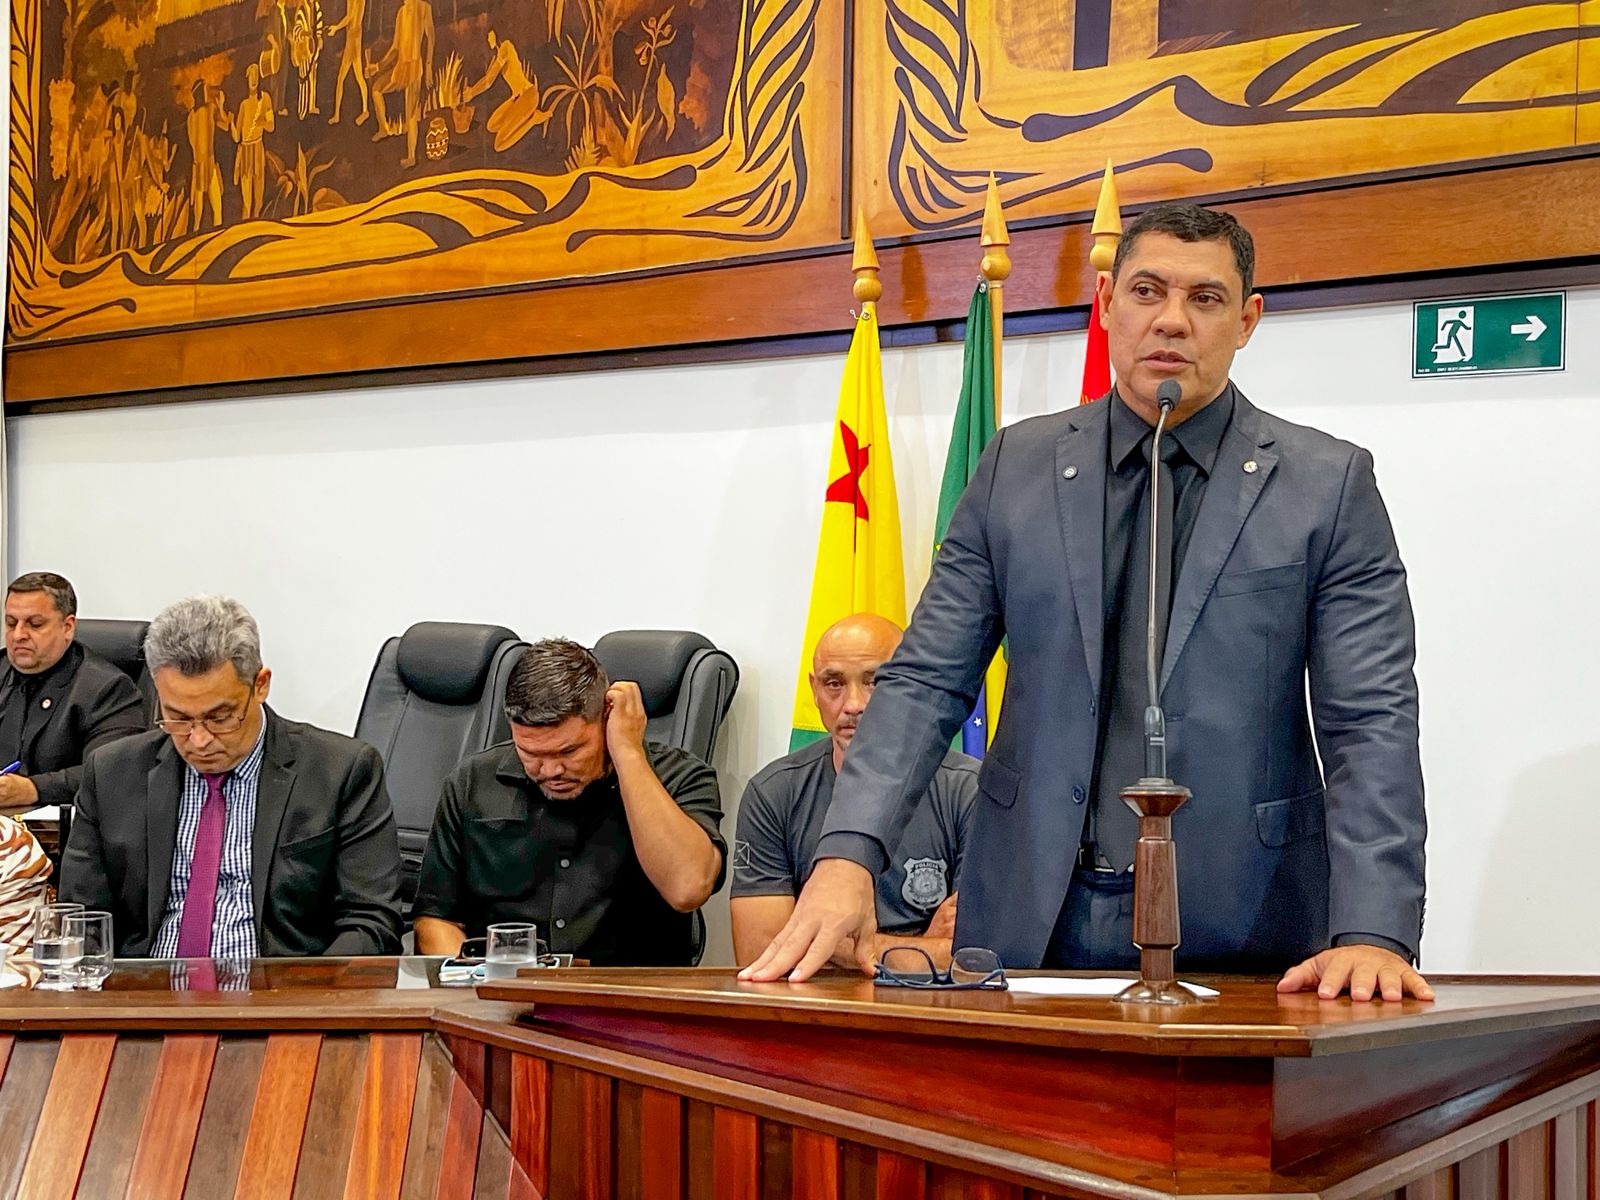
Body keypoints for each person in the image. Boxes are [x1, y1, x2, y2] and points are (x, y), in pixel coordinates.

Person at [745, 202, 1431, 1004]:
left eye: (1205, 299)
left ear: (1246, 320)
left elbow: (1371, 720)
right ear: (1106, 301)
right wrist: (847, 855)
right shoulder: (1016, 467)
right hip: (1031, 912)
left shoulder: (1326, 485)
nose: (1171, 320)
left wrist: (1375, 931)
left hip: (1247, 921)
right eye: (1147, 291)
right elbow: (927, 679)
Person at [60, 596, 403, 957]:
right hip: (145, 985)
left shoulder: (341, 772)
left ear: (260, 684)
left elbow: (371, 924)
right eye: (178, 717)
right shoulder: (112, 773)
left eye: (220, 717)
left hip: (282, 986)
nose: (199, 740)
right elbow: (81, 920)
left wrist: (307, 990)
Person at [413, 638, 725, 965]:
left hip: (629, 989)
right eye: (530, 753)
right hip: (503, 986)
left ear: (606, 718)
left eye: (569, 751)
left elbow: (688, 889)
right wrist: (476, 980)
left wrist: (628, 754)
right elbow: (435, 920)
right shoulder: (472, 782)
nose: (551, 770)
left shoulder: (680, 776)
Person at [731, 614, 974, 968]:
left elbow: (973, 958)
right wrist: (923, 946)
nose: (853, 704)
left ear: (911, 686)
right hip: (815, 1001)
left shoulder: (967, 790)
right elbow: (759, 953)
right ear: (814, 690)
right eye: (834, 684)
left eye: (874, 682)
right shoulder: (773, 793)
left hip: (932, 1002)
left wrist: (815, 937)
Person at [0, 572, 146, 812]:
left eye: (35, 624)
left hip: (64, 829)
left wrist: (34, 788)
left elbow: (113, 772)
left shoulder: (107, 689)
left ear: (67, 627)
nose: (18, 635)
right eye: (11, 623)